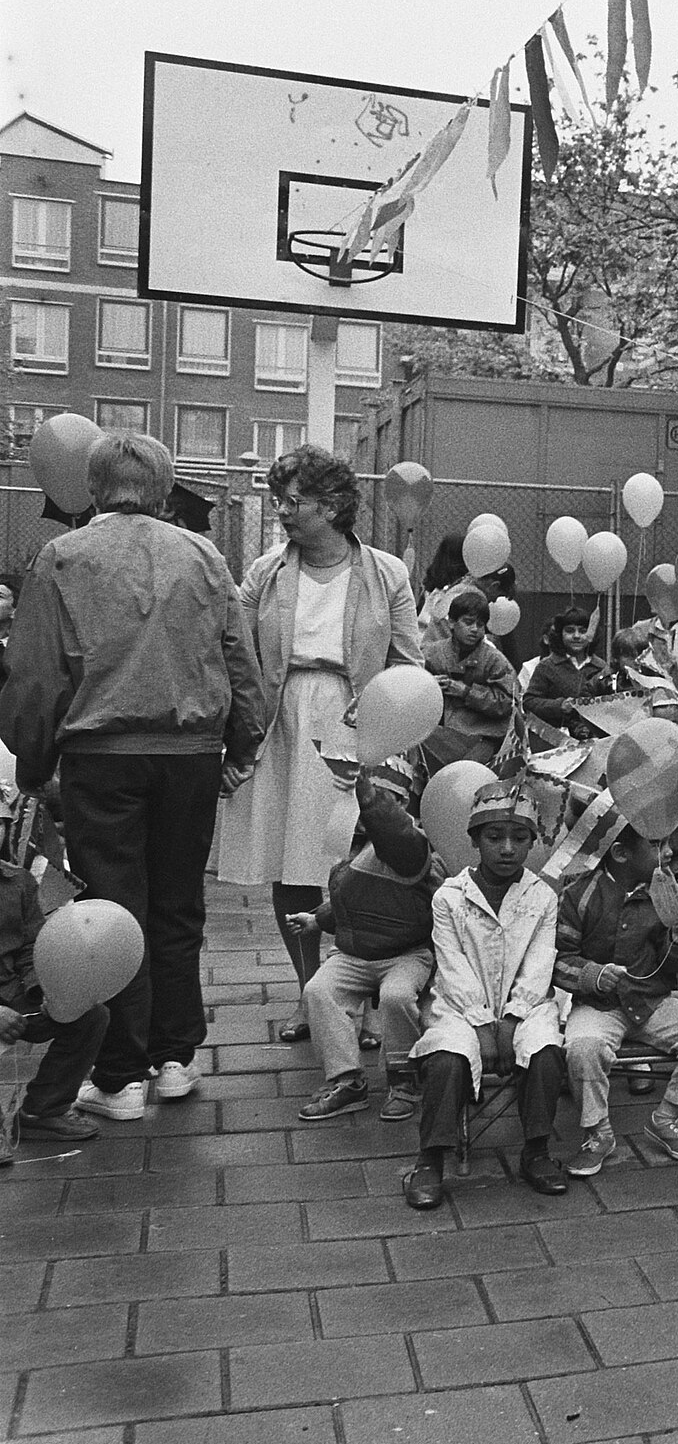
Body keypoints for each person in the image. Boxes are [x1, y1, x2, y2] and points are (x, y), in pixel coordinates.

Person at [0, 432, 264, 1120]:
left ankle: (121, 1075)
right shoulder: (204, 554)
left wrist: (33, 763)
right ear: (164, 488)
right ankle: (176, 1057)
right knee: (178, 905)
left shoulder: (62, 557)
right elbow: (239, 656)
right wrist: (240, 743)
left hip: (103, 756)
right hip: (190, 754)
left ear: (92, 489)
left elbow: (33, 676)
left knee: (113, 910)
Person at [218, 444, 420, 1046]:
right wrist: (239, 740)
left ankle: (357, 993)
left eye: (291, 500)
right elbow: (239, 658)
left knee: (360, 863)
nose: (280, 510)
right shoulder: (264, 572)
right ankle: (315, 996)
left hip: (359, 720)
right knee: (293, 866)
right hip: (282, 720)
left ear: (332, 506)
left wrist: (395, 731)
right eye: (277, 499)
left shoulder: (387, 573)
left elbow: (408, 663)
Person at [404, 780, 568, 1210]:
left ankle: (536, 1151)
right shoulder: (450, 898)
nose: (508, 849)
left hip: (525, 1003)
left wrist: (513, 1019)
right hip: (461, 1004)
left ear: (533, 842)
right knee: (447, 1056)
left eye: (519, 838)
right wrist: (480, 1022)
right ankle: (429, 1160)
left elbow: (538, 963)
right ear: (475, 840)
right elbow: (452, 965)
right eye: (495, 838)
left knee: (545, 1049)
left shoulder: (542, 897)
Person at [555, 820, 678, 1176]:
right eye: (656, 845)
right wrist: (593, 976)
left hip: (652, 1003)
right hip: (599, 1006)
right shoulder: (579, 895)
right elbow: (558, 962)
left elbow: (677, 964)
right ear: (620, 854)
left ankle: (668, 1118)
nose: (667, 853)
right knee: (584, 1048)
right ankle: (598, 1133)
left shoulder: (667, 893)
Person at [294, 758, 438, 1123]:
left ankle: (405, 1078)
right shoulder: (352, 852)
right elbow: (351, 903)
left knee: (396, 996)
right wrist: (317, 919)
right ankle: (347, 1080)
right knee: (319, 991)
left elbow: (393, 832)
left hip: (406, 953)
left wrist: (370, 797)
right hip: (355, 954)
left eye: (374, 800)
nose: (359, 810)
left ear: (401, 803)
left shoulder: (411, 847)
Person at [0, 854, 107, 1160]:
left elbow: (31, 947)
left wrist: (43, 989)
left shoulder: (17, 881)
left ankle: (42, 1111)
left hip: (13, 993)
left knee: (89, 1015)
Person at [418, 589, 518, 776]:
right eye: (468, 622)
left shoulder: (494, 660)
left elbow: (507, 702)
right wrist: (428, 685)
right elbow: (409, 688)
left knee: (463, 775)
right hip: (438, 732)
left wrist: (466, 692)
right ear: (452, 622)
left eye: (480, 625)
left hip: (484, 736)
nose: (475, 629)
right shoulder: (431, 654)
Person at [523, 609, 611, 738]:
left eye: (583, 631)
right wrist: (559, 706)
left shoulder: (601, 667)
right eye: (570, 631)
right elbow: (529, 702)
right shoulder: (547, 666)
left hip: (594, 738)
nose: (576, 636)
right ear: (560, 634)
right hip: (554, 738)